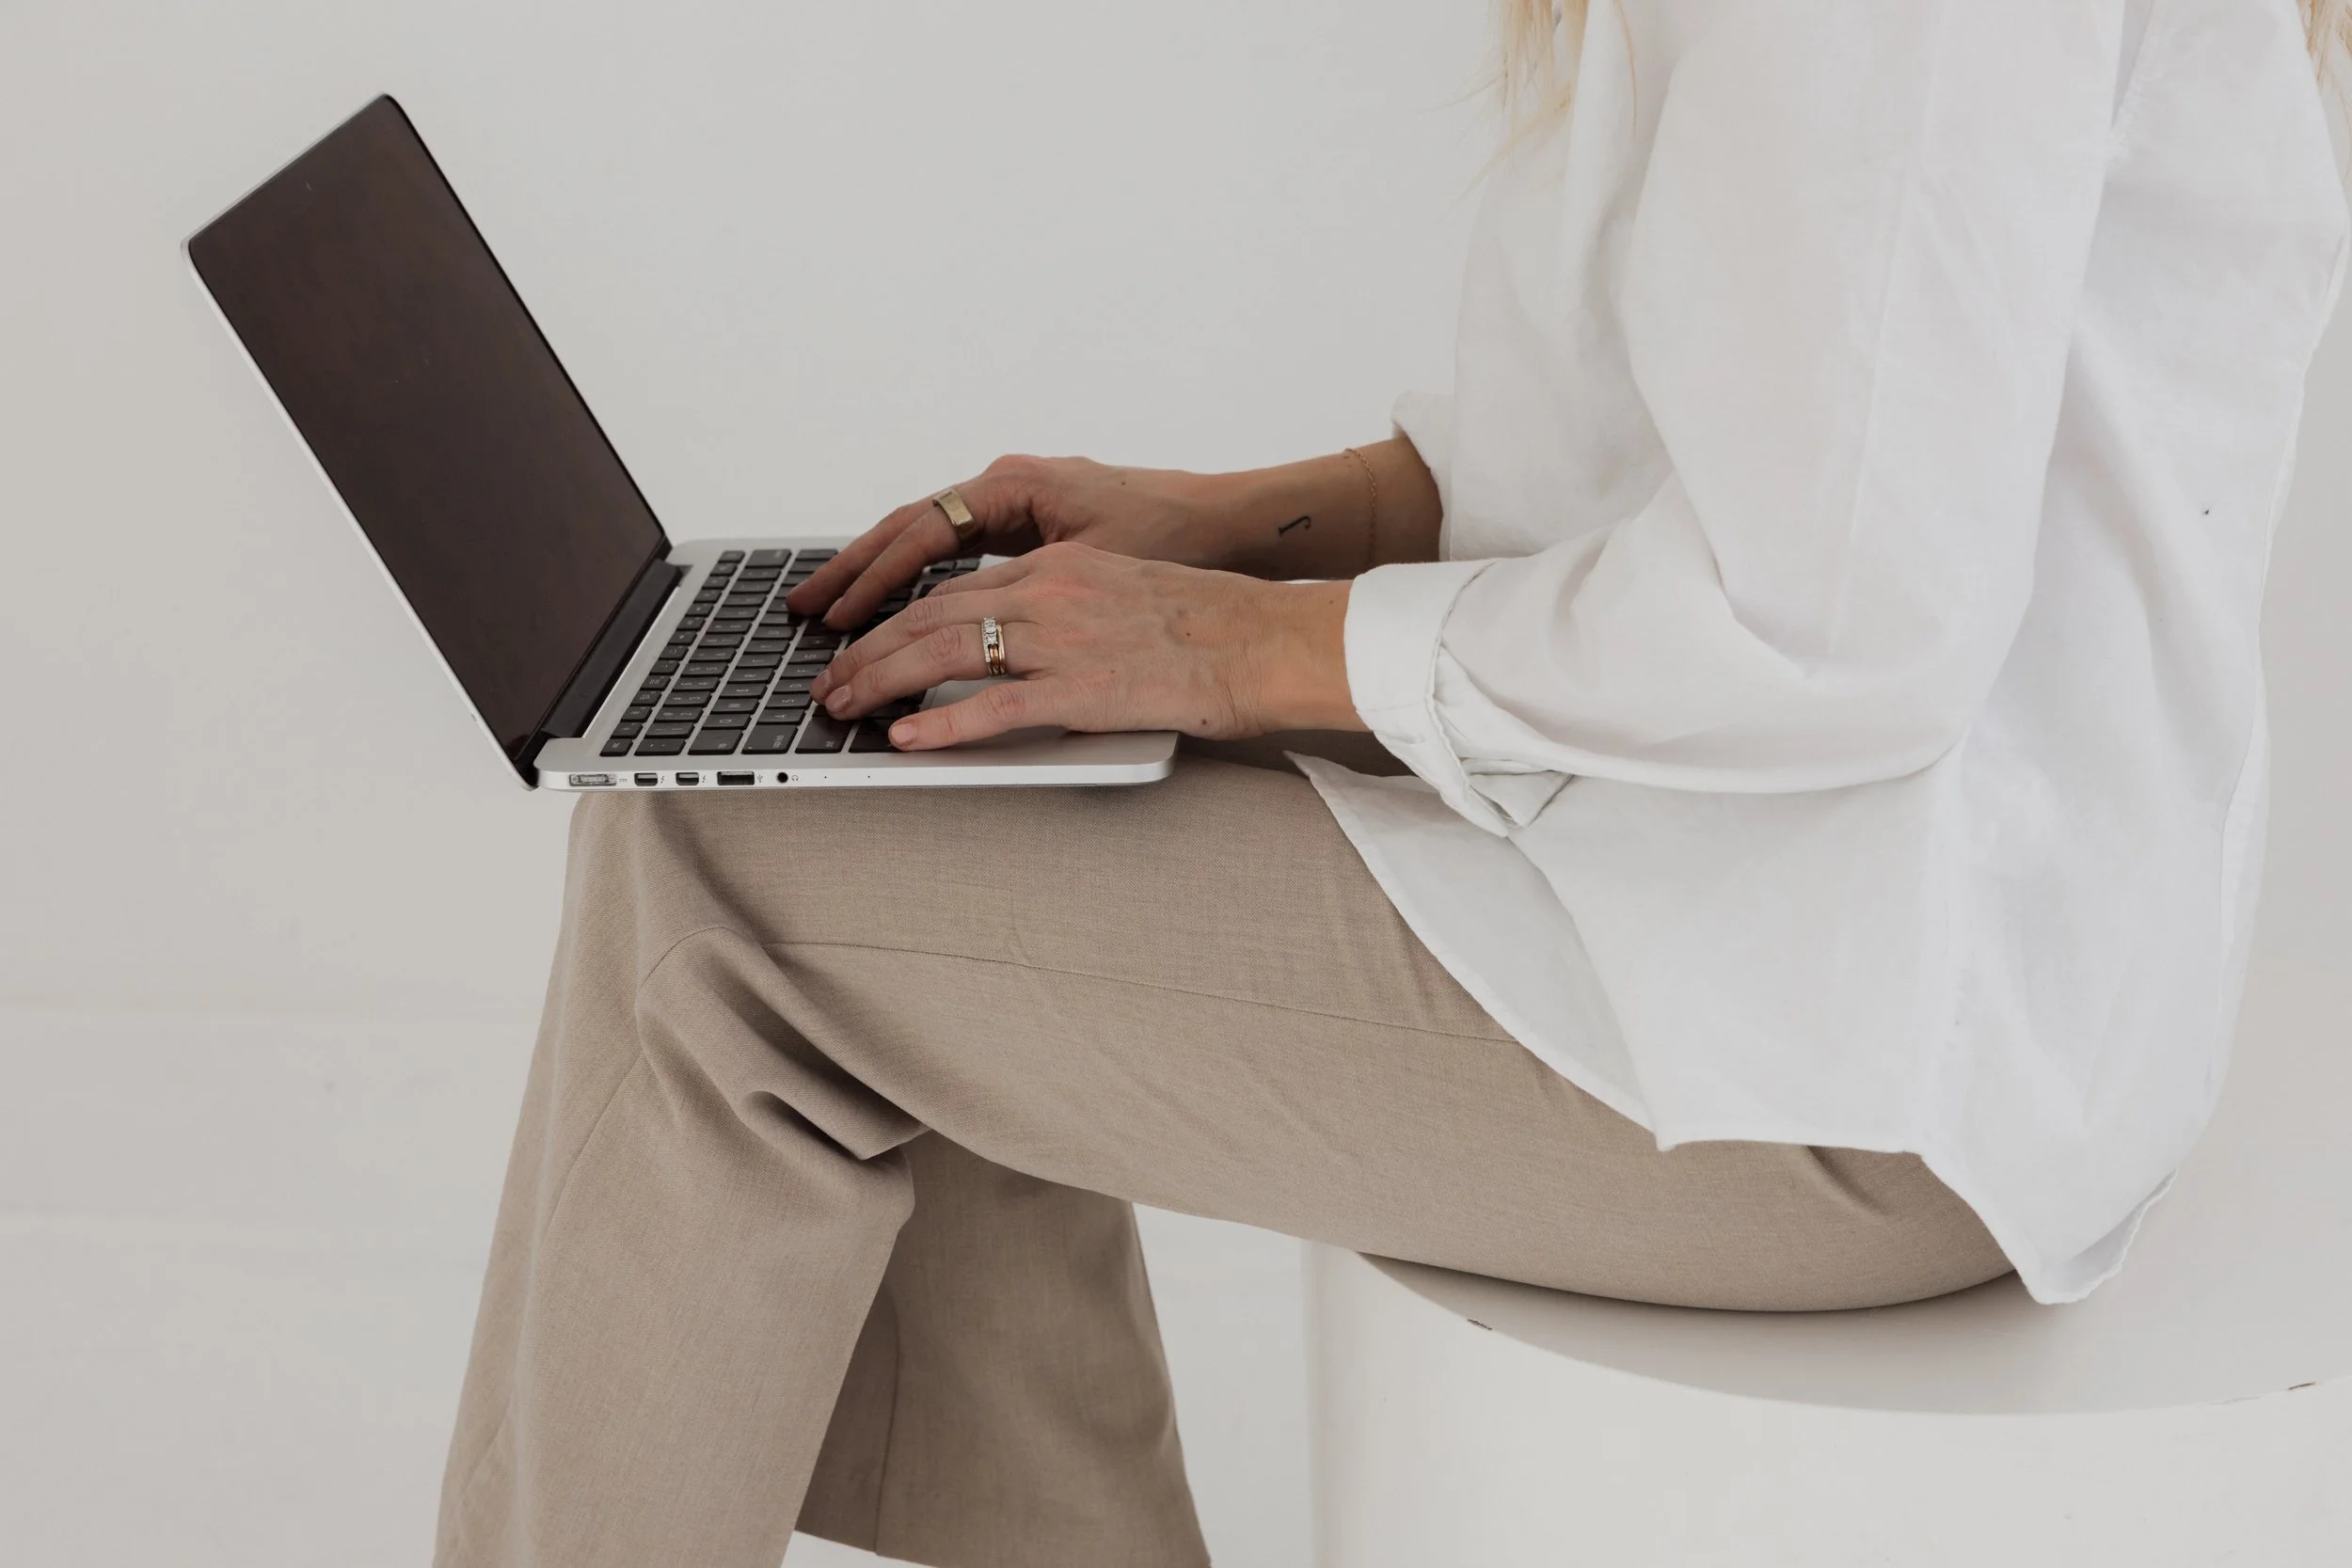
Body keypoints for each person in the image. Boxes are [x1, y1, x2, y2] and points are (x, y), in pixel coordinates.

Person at [435, 3, 2349, 1564]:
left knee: (713, 886)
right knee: (896, 796)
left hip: (1845, 1052)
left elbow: (1836, 627)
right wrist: (1237, 530)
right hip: (1797, 923)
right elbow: (1681, 456)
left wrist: (1232, 650)